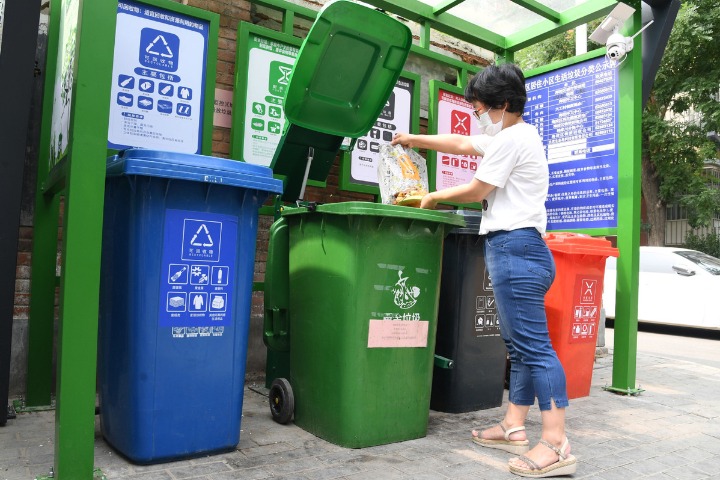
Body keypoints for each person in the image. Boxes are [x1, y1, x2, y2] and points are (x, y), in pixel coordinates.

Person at [391, 63, 576, 478]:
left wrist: (431, 197)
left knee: (535, 348)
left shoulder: (514, 138)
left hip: (516, 249)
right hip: (517, 250)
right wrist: (412, 138)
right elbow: (458, 142)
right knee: (522, 347)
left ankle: (556, 442)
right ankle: (513, 426)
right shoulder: (504, 134)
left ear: (503, 104)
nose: (477, 114)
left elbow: (478, 190)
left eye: (480, 107)